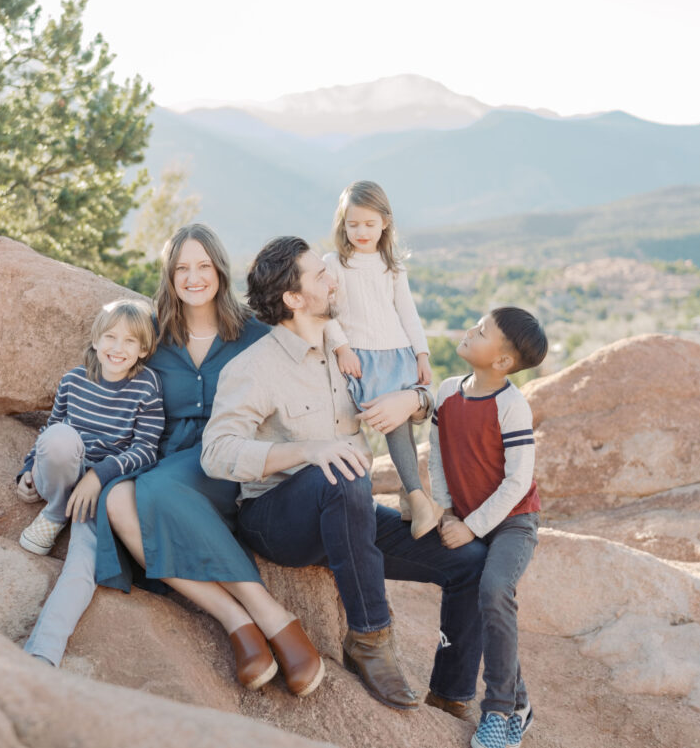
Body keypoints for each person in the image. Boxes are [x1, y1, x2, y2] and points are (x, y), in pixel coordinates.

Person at [24, 225, 326, 699]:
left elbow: (308, 360)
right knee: (119, 500)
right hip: (161, 460)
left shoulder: (254, 333)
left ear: (219, 270)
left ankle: (271, 615)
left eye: (203, 264)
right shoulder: (155, 334)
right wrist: (41, 459)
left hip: (228, 460)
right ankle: (238, 620)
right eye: (182, 267)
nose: (193, 276)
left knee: (154, 493)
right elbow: (102, 394)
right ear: (169, 275)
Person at [201, 236, 487, 713]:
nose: (333, 278)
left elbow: (419, 396)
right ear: (294, 299)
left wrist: (414, 399)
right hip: (278, 520)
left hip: (351, 510)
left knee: (472, 559)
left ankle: (452, 692)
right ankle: (370, 638)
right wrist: (306, 451)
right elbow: (217, 452)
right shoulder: (253, 368)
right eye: (320, 275)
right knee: (343, 469)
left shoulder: (349, 352)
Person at [428, 308, 547, 748]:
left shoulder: (512, 405)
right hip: (466, 519)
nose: (469, 331)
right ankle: (520, 699)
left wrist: (473, 527)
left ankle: (500, 711)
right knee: (480, 591)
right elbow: (436, 456)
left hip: (513, 523)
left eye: (481, 332)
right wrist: (445, 511)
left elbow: (517, 481)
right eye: (476, 326)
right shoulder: (446, 393)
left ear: (502, 362)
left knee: (495, 590)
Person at [324, 180, 438, 539]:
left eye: (369, 224)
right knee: (381, 425)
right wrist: (342, 348)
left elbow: (408, 312)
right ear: (342, 223)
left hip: (398, 354)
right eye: (353, 224)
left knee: (399, 425)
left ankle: (415, 500)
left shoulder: (392, 265)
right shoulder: (335, 264)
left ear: (385, 222)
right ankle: (415, 500)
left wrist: (421, 354)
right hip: (361, 359)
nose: (361, 232)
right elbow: (325, 312)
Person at [16, 299, 163, 556]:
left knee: (86, 557)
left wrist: (100, 474)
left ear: (143, 349)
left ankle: (67, 514)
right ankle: (57, 512)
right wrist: (28, 467)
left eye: (130, 341)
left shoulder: (147, 386)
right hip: (62, 471)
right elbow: (52, 429)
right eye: (110, 337)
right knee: (59, 436)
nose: (118, 348)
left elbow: (146, 449)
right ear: (96, 341)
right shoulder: (73, 380)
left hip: (102, 482)